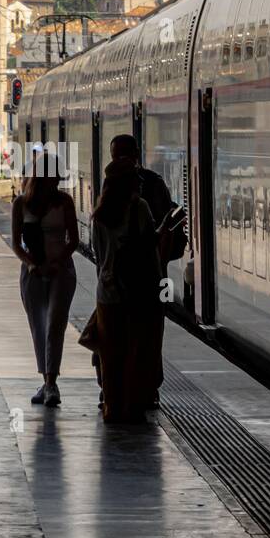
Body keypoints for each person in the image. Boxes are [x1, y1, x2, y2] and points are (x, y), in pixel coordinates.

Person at [109, 134, 181, 408]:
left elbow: (165, 233)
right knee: (143, 333)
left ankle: (143, 386)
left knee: (148, 333)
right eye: (117, 155)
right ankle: (138, 386)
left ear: (136, 155)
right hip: (129, 278)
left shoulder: (149, 186)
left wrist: (158, 269)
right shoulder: (122, 187)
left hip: (148, 277)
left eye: (124, 154)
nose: (121, 160)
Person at [92, 158, 161, 423]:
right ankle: (132, 405)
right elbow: (148, 251)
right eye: (135, 177)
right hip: (137, 292)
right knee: (135, 349)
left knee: (110, 353)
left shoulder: (99, 215)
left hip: (107, 291)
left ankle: (111, 405)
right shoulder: (139, 208)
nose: (140, 182)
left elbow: (99, 257)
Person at [12, 156, 79, 407]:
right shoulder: (21, 203)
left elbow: (73, 239)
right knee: (38, 326)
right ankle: (46, 379)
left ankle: (51, 383)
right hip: (32, 273)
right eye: (51, 176)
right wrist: (33, 265)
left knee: (55, 326)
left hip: (61, 271)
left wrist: (56, 262)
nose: (54, 181)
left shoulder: (65, 202)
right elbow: (16, 243)